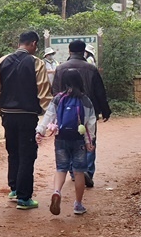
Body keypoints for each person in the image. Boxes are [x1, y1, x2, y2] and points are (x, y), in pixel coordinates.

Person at [0, 31, 53, 210]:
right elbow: (43, 92)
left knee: (13, 150)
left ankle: (14, 188)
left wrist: (1, 111)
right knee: (27, 154)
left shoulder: (2, 61)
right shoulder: (36, 63)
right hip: (27, 115)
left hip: (7, 115)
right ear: (33, 43)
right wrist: (50, 117)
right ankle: (24, 198)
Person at [36, 69, 97, 215]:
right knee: (79, 172)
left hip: (61, 138)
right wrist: (90, 141)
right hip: (78, 140)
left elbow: (49, 116)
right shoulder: (85, 100)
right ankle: (78, 205)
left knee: (61, 168)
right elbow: (91, 123)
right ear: (79, 81)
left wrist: (40, 131)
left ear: (64, 82)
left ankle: (57, 191)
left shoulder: (58, 98)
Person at [52, 40, 111, 188]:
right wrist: (105, 110)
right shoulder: (91, 69)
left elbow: (55, 91)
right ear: (84, 51)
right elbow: (100, 92)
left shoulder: (61, 69)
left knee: (69, 139)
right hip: (88, 110)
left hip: (66, 113)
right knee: (89, 138)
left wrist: (56, 112)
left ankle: (74, 172)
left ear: (69, 51)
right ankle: (87, 172)